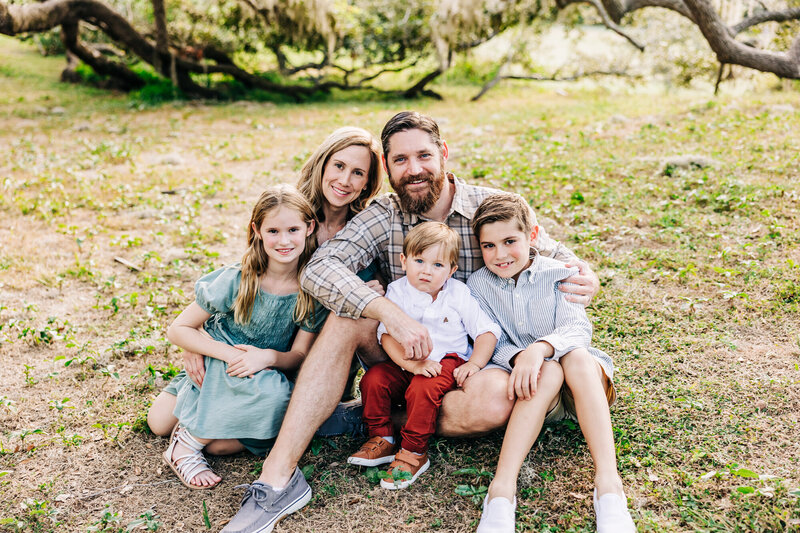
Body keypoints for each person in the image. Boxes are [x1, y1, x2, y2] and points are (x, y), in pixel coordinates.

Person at [221, 111, 600, 532]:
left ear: (443, 153)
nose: (414, 169)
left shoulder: (488, 206)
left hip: (480, 362)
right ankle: (277, 481)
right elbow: (319, 268)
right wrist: (388, 312)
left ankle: (371, 416)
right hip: (402, 355)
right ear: (387, 166)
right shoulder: (384, 216)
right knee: (350, 317)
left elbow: (556, 256)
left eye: (423, 155)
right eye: (400, 160)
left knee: (495, 399)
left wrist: (587, 274)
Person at [147, 127, 385, 452]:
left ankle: (302, 411)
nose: (345, 180)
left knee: (220, 444)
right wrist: (197, 344)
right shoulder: (293, 209)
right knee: (159, 422)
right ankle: (213, 410)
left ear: (369, 182)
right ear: (323, 165)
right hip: (245, 345)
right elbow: (244, 277)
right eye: (338, 166)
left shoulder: (365, 229)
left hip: (303, 351)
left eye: (358, 172)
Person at [467, 194, 634, 532]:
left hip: (582, 387)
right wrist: (520, 357)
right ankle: (501, 492)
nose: (499, 255)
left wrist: (539, 348)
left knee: (573, 358)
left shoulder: (559, 273)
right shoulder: (478, 285)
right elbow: (486, 340)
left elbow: (577, 329)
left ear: (532, 236)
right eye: (489, 246)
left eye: (509, 241)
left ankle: (609, 486)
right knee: (549, 370)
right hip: (538, 391)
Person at [147, 185, 325, 489]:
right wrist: (230, 355)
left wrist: (267, 357)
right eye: (273, 231)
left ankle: (187, 443)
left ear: (309, 228)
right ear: (256, 230)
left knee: (267, 405)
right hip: (221, 364)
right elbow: (178, 329)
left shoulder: (310, 290)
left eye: (293, 229)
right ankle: (193, 428)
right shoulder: (239, 279)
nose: (284, 241)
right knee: (158, 423)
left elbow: (298, 356)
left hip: (262, 375)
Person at [347, 222, 500, 489]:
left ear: (452, 270)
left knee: (423, 388)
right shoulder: (397, 291)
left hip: (446, 361)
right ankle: (382, 438)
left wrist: (475, 363)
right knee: (373, 379)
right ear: (404, 261)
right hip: (405, 362)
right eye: (419, 260)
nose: (427, 271)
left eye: (438, 265)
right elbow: (386, 336)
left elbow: (487, 331)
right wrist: (410, 364)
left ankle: (414, 452)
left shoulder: (458, 294)